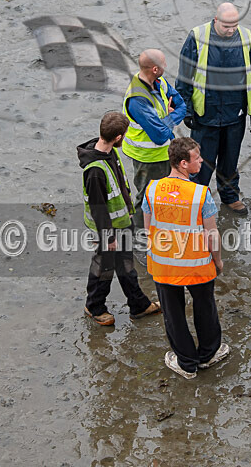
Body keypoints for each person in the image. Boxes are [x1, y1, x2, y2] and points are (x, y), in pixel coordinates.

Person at [143, 137, 229, 379]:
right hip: (197, 265)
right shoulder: (201, 194)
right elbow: (212, 233)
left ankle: (186, 363)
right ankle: (208, 354)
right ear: (183, 163)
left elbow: (148, 229)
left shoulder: (152, 189)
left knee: (173, 315)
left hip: (164, 266)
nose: (201, 161)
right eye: (197, 158)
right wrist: (218, 261)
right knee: (205, 308)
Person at [175, 2, 251, 215]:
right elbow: (185, 75)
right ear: (216, 20)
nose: (231, 30)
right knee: (200, 161)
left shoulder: (246, 37)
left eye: (234, 25)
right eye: (226, 26)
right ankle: (197, 200)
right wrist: (186, 109)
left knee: (230, 160)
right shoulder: (197, 37)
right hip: (206, 112)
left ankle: (230, 197)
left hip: (235, 112)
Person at [78, 111, 161, 326]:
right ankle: (94, 307)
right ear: (118, 137)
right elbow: (98, 209)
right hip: (108, 230)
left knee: (125, 265)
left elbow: (121, 187)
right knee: (103, 268)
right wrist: (109, 237)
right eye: (124, 135)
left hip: (122, 223)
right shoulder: (95, 171)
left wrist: (129, 214)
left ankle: (138, 305)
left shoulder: (110, 153)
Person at [122, 49, 186, 218]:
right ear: (155, 69)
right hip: (147, 159)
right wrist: (170, 117)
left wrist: (165, 120)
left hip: (164, 153)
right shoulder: (138, 99)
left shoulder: (159, 81)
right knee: (146, 199)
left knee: (164, 196)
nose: (166, 66)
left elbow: (182, 106)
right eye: (164, 64)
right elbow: (159, 136)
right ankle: (139, 230)